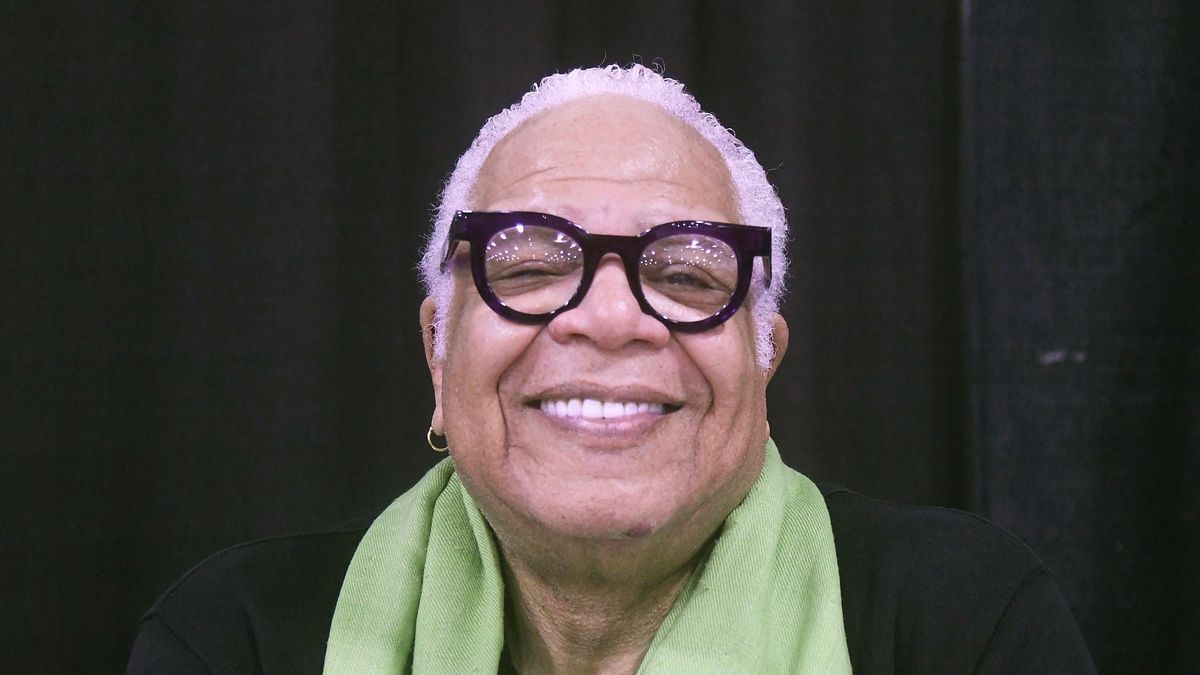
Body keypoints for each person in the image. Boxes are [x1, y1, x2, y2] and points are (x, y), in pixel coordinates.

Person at [127, 65, 1095, 674]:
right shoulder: (242, 635)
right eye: (531, 267)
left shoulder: (963, 623)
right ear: (437, 348)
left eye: (683, 274)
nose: (610, 318)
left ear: (763, 357)